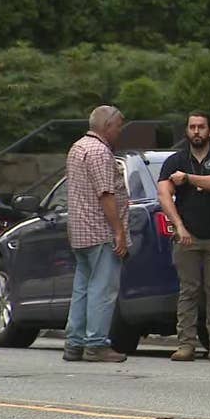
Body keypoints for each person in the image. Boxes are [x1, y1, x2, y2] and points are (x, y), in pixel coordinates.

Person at [158, 111, 210, 363]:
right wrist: (179, 226)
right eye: (192, 127)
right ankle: (186, 344)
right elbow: (164, 193)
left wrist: (188, 179)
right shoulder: (175, 160)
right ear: (186, 131)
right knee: (188, 291)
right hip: (188, 235)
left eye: (201, 127)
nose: (196, 131)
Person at [62, 105, 130, 363]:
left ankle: (74, 343)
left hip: (79, 232)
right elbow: (106, 194)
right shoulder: (100, 152)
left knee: (82, 288)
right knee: (103, 289)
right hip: (100, 231)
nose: (120, 131)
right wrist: (119, 232)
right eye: (118, 126)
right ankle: (96, 343)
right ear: (107, 126)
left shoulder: (77, 147)